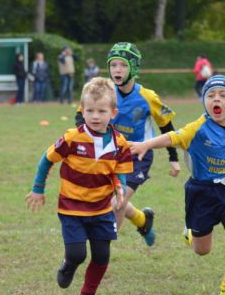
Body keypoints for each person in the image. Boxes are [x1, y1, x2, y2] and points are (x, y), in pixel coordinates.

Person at [26, 77, 133, 295]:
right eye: (90, 110)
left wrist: (120, 192)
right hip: (71, 208)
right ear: (82, 111)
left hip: (102, 208)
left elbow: (120, 173)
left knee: (102, 255)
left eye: (101, 111)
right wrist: (37, 189)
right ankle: (68, 264)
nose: (95, 116)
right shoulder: (72, 138)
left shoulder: (120, 143)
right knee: (77, 254)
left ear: (113, 113)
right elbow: (47, 159)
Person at [129, 75, 225, 295]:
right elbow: (172, 137)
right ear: (204, 101)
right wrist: (146, 144)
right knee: (202, 250)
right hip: (203, 191)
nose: (216, 99)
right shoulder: (199, 128)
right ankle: (191, 235)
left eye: (222, 95)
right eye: (210, 96)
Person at [75, 42, 180, 246]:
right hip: (109, 155)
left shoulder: (147, 97)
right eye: (113, 65)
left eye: (122, 65)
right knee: (107, 199)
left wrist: (173, 158)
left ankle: (102, 246)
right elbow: (81, 116)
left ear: (133, 67)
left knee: (116, 202)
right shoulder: (104, 92)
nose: (117, 70)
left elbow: (167, 126)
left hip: (137, 156)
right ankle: (142, 219)